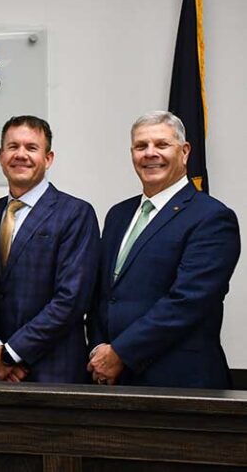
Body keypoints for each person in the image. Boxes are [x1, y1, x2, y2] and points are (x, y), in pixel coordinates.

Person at [88, 111, 240, 388]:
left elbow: (188, 301)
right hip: (114, 379)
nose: (150, 153)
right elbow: (102, 295)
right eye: (140, 146)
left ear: (184, 152)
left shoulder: (212, 218)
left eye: (161, 145)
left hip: (180, 381)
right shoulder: (118, 215)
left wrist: (120, 352)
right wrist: (99, 349)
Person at [0, 116, 99, 384]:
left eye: (31, 148)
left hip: (54, 370)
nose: (21, 155)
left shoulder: (76, 214)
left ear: (49, 158)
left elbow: (71, 300)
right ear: (0, 155)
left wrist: (12, 353)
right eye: (13, 147)